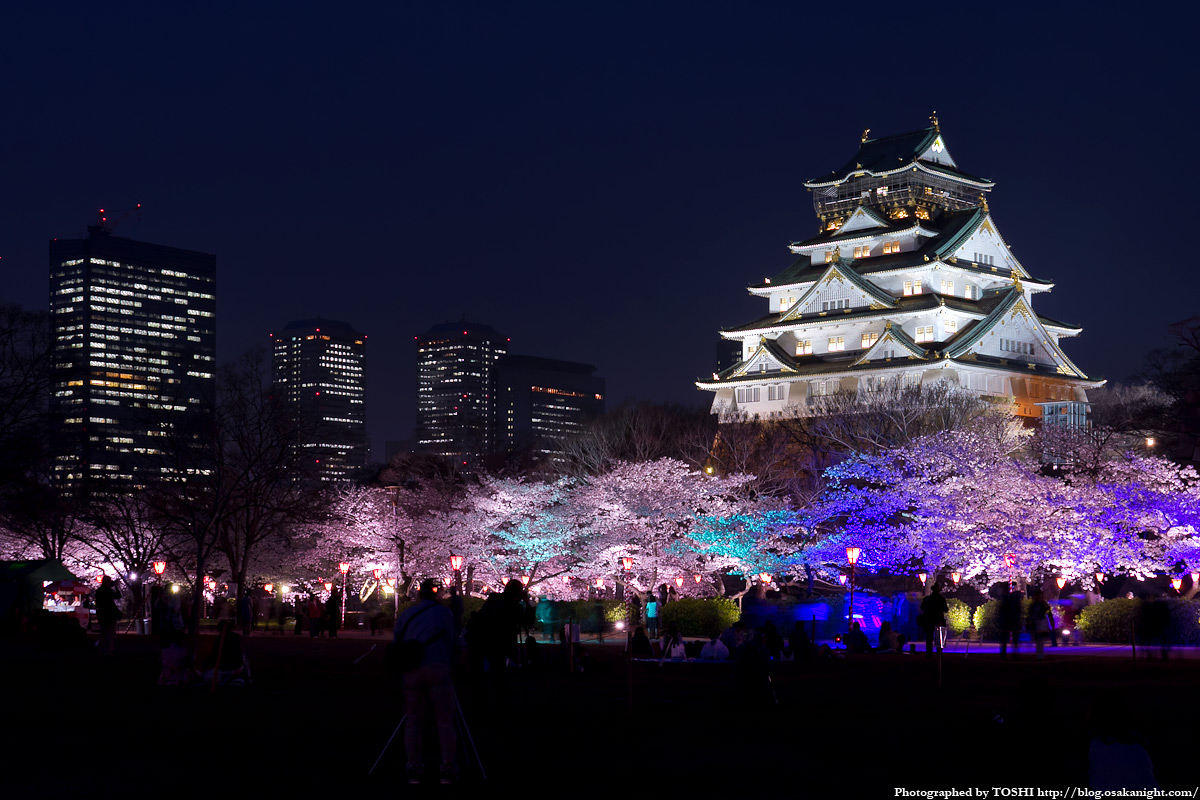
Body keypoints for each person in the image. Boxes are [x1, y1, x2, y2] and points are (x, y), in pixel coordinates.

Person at [395, 579, 457, 784]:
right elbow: (454, 640)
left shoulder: (407, 614)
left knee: (413, 720)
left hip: (412, 668)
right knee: (444, 719)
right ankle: (447, 766)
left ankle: (413, 766)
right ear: (437, 594)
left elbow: (398, 641)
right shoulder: (444, 613)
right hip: (437, 665)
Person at [920, 584, 948, 658]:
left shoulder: (927, 599)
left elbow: (922, 608)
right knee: (939, 638)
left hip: (929, 619)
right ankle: (939, 653)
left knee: (929, 637)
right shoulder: (941, 599)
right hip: (938, 620)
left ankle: (929, 653)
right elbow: (945, 609)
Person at [95, 576, 121, 656]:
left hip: (101, 614)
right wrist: (116, 586)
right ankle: (109, 650)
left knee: (103, 632)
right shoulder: (108, 591)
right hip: (109, 614)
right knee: (110, 632)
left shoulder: (99, 590)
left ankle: (101, 648)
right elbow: (118, 595)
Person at [1026, 588, 1052, 660]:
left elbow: (1049, 613)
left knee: (1039, 639)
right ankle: (1039, 654)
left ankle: (1040, 654)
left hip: (1041, 622)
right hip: (1037, 622)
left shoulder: (1042, 604)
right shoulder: (1036, 604)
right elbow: (1030, 614)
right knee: (1038, 639)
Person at [998, 584, 1023, 659]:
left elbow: (1002, 611)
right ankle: (1013, 654)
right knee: (1012, 639)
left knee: (1005, 638)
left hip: (1008, 621)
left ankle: (1005, 655)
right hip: (1013, 620)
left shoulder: (1006, 599)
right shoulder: (1013, 599)